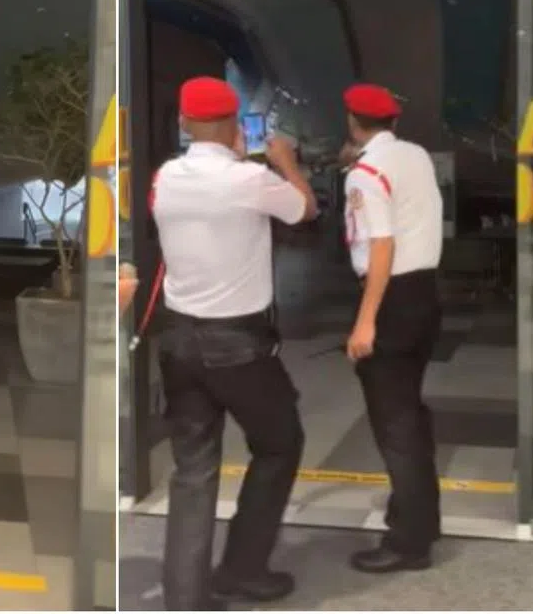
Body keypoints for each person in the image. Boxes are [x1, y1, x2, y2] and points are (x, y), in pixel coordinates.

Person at [151, 76, 317, 609]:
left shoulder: (166, 177)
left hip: (178, 342)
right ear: (233, 125)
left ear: (183, 122)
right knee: (280, 444)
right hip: (239, 346)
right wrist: (285, 161)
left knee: (193, 471)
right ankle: (242, 570)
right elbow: (305, 209)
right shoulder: (249, 179)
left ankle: (185, 597)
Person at [340, 83, 443, 574]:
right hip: (424, 295)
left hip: (390, 299)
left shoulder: (365, 173)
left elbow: (381, 244)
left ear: (352, 122)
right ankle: (420, 521)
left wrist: (365, 322)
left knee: (395, 425)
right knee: (411, 416)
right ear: (394, 122)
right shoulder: (416, 156)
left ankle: (409, 543)